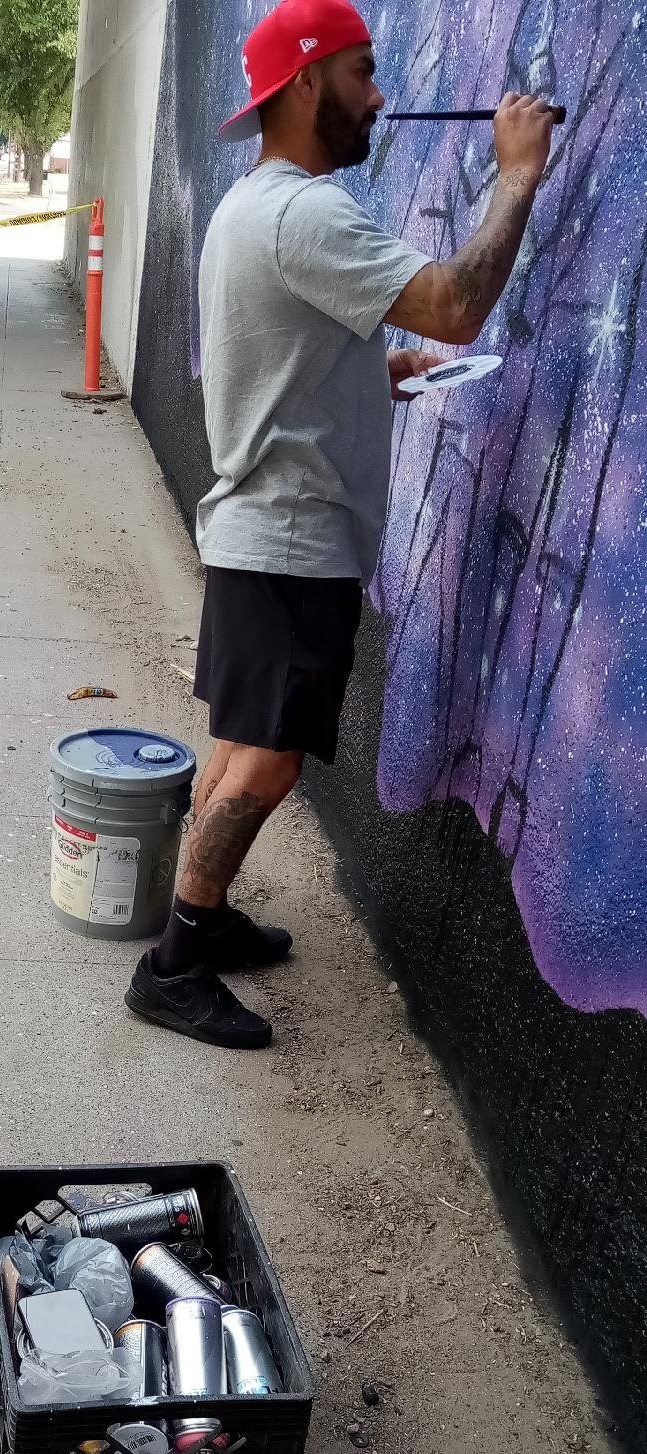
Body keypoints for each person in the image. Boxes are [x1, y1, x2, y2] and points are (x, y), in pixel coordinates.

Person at [124, 0, 555, 1048]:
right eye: (363, 71)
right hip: (290, 537)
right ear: (308, 83)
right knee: (267, 763)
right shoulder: (310, 215)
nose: (379, 93)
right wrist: (517, 180)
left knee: (241, 744)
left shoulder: (255, 206)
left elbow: (291, 350)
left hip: (259, 532)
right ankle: (173, 966)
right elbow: (455, 304)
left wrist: (377, 369)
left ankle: (205, 919)